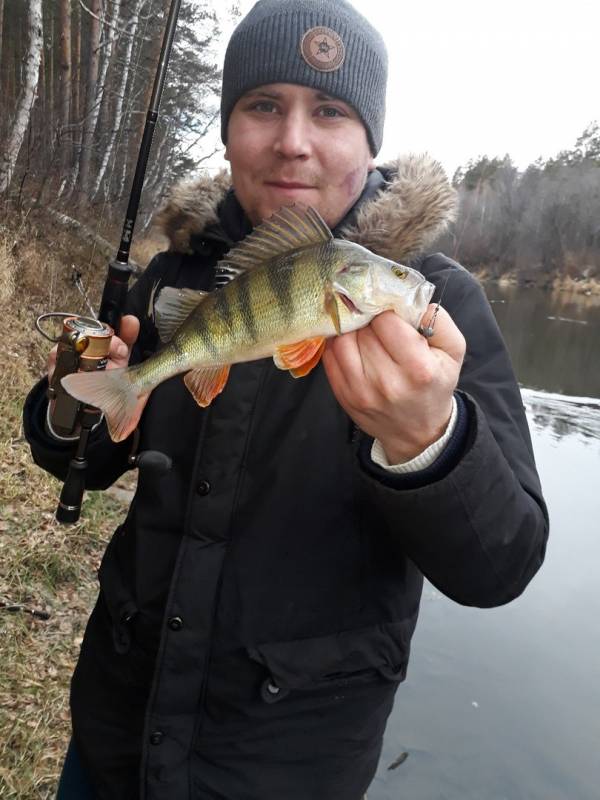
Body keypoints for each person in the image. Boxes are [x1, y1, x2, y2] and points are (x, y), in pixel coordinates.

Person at [24, 1, 549, 798]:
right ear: (229, 128)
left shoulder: (440, 306)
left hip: (287, 769)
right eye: (263, 105)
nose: (293, 139)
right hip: (114, 734)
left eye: (330, 111)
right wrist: (75, 401)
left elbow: (501, 562)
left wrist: (428, 445)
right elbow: (83, 460)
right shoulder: (178, 274)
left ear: (371, 140)